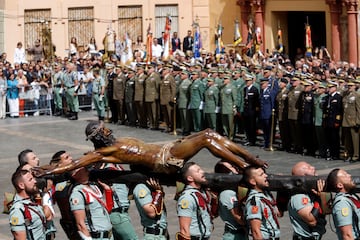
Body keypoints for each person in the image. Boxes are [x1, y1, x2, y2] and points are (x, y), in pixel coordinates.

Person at [34, 121, 267, 178]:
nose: (108, 131)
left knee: (209, 133)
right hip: (163, 160)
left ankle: (246, 156)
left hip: (166, 148)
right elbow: (72, 165)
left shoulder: (116, 140)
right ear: (98, 136)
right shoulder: (101, 153)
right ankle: (245, 164)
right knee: (206, 138)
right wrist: (45, 171)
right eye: (103, 131)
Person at [69, 165, 114, 240]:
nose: (85, 168)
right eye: (80, 167)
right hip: (97, 236)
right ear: (74, 174)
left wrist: (108, 190)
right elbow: (80, 223)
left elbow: (107, 210)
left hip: (109, 235)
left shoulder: (94, 187)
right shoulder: (78, 193)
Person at [288, 162, 327, 240]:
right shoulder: (299, 197)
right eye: (308, 168)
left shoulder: (311, 192)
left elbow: (327, 210)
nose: (313, 167)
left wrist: (323, 195)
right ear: (303, 177)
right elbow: (312, 221)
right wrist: (319, 198)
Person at [176, 162, 213, 240]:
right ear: (190, 178)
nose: (202, 172)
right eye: (198, 171)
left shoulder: (202, 193)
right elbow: (184, 230)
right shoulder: (187, 198)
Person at [9, 166, 47, 240]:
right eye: (30, 180)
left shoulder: (31, 202)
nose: (35, 181)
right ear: (21, 185)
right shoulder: (18, 210)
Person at [243, 166, 280, 240]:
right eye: (261, 174)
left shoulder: (266, 195)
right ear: (253, 181)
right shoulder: (255, 201)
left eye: (264, 173)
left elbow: (279, 214)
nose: (266, 176)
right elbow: (255, 231)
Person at [215, 161, 248, 240]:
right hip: (235, 236)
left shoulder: (234, 190)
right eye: (231, 167)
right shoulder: (228, 193)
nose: (235, 169)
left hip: (240, 234)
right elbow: (238, 217)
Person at [326, 168, 360, 239]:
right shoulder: (342, 203)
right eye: (345, 175)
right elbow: (347, 235)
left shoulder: (352, 197)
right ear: (340, 185)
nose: (349, 175)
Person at [323, 81, 343, 160]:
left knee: (335, 138)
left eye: (331, 87)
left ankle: (335, 154)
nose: (329, 89)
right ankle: (330, 153)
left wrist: (337, 121)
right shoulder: (328, 97)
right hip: (328, 121)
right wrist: (324, 120)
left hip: (334, 120)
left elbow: (339, 110)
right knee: (329, 138)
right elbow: (325, 109)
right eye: (329, 87)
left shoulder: (338, 97)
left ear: (335, 88)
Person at [342, 81, 360, 162]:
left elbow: (359, 109)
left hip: (353, 121)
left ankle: (355, 155)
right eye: (348, 85)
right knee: (347, 140)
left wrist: (358, 121)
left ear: (354, 86)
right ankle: (348, 154)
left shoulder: (357, 95)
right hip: (345, 120)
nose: (349, 87)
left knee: (355, 140)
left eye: (351, 85)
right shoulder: (345, 95)